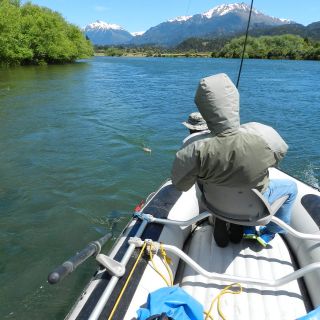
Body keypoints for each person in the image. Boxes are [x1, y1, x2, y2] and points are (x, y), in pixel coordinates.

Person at [171, 73, 297, 248]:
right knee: (292, 187)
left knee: (204, 181)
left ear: (203, 106)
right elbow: (279, 157)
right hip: (254, 205)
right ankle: (270, 231)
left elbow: (180, 184)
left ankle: (222, 223)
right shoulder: (262, 133)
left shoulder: (193, 148)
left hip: (216, 204)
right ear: (234, 101)